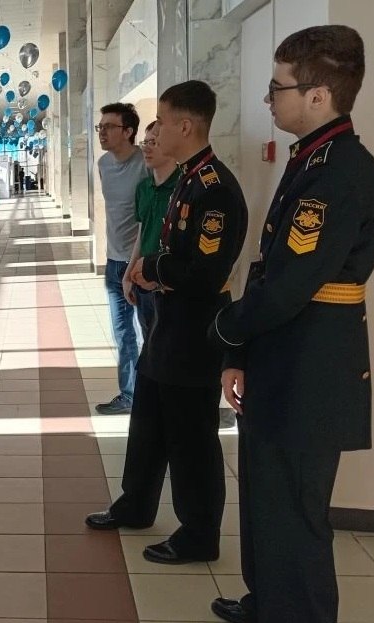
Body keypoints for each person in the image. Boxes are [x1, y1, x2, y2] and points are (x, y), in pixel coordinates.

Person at [209, 26, 374, 623]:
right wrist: (241, 356)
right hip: (283, 359)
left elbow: (289, 286)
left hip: (312, 367)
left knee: (295, 512)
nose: (269, 99)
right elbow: (273, 271)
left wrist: (226, 331)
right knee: (267, 501)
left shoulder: (341, 171)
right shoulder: (312, 159)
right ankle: (269, 603)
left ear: (318, 95)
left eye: (276, 87)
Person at [86, 81, 248, 568]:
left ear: (186, 126)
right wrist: (150, 269)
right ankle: (136, 503)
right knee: (149, 422)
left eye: (162, 121)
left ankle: (199, 533)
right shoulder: (186, 179)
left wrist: (152, 268)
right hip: (167, 323)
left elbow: (205, 272)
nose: (154, 131)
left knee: (192, 437)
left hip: (194, 330)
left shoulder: (215, 189)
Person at [95, 102, 148, 415]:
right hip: (113, 262)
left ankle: (150, 394)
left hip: (139, 264)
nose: (102, 132)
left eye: (109, 127)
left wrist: (137, 262)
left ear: (128, 131)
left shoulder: (146, 163)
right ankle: (129, 395)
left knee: (147, 331)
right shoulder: (103, 164)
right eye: (100, 127)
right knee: (122, 333)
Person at [123, 121, 180, 339]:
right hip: (144, 282)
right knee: (148, 344)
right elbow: (142, 233)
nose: (146, 149)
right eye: (144, 143)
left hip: (171, 285)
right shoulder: (143, 189)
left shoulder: (183, 186)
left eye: (153, 143)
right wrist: (128, 275)